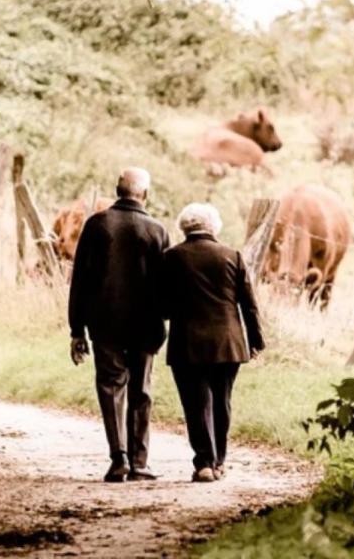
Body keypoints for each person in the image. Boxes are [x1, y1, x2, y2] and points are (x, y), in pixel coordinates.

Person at [68, 167, 170, 483]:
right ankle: (140, 463)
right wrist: (165, 319)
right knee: (141, 390)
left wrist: (76, 329)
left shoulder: (97, 225)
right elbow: (166, 285)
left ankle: (118, 458)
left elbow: (80, 281)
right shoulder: (157, 230)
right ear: (146, 195)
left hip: (104, 322)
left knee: (111, 387)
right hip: (146, 324)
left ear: (117, 190)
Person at [161, 203, 265, 483]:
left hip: (187, 343)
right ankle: (219, 461)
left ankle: (204, 463)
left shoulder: (171, 257)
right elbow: (249, 305)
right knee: (222, 401)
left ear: (184, 227)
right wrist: (255, 340)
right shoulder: (232, 256)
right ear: (213, 226)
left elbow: (162, 304)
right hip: (228, 342)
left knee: (196, 404)